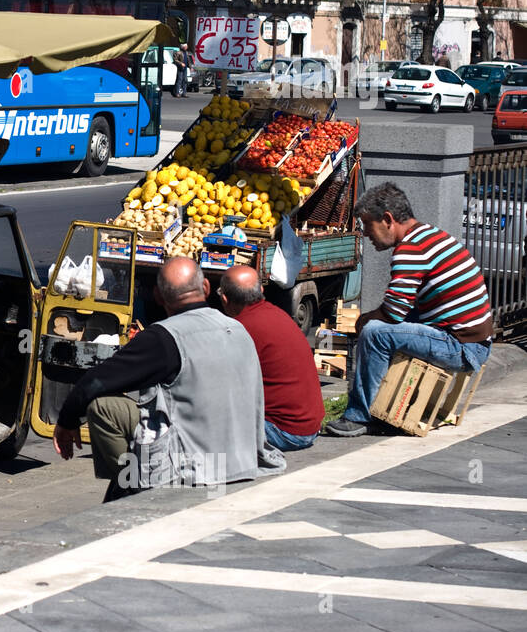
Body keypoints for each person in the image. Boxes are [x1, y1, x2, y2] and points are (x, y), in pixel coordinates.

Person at [54, 257, 282, 499]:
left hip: (196, 471)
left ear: (158, 296)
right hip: (243, 460)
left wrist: (67, 422)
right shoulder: (238, 329)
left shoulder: (164, 337)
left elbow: (95, 382)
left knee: (102, 406)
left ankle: (131, 492)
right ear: (205, 287)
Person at [324, 183, 492, 437]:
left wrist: (364, 320)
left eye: (368, 225)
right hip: (472, 341)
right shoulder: (430, 235)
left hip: (462, 347)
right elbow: (401, 308)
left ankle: (360, 415)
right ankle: (384, 404)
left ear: (388, 219)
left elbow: (393, 312)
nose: (367, 234)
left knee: (375, 332)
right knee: (382, 328)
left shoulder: (411, 249)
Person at [218, 266, 323, 451]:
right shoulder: (278, 314)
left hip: (284, 431)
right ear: (261, 290)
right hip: (309, 426)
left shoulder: (240, 329)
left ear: (224, 299)